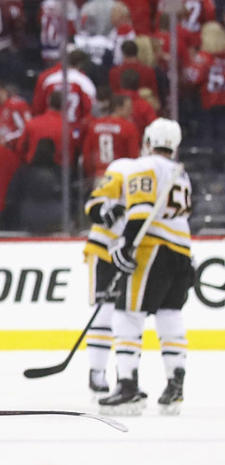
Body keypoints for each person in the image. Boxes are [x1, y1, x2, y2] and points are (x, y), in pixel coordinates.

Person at [89, 119, 193, 414]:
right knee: (170, 314)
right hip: (182, 250)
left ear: (148, 140)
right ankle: (176, 383)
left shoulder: (144, 166)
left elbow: (141, 210)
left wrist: (125, 244)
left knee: (126, 314)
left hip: (154, 249)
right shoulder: (180, 173)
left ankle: (127, 384)